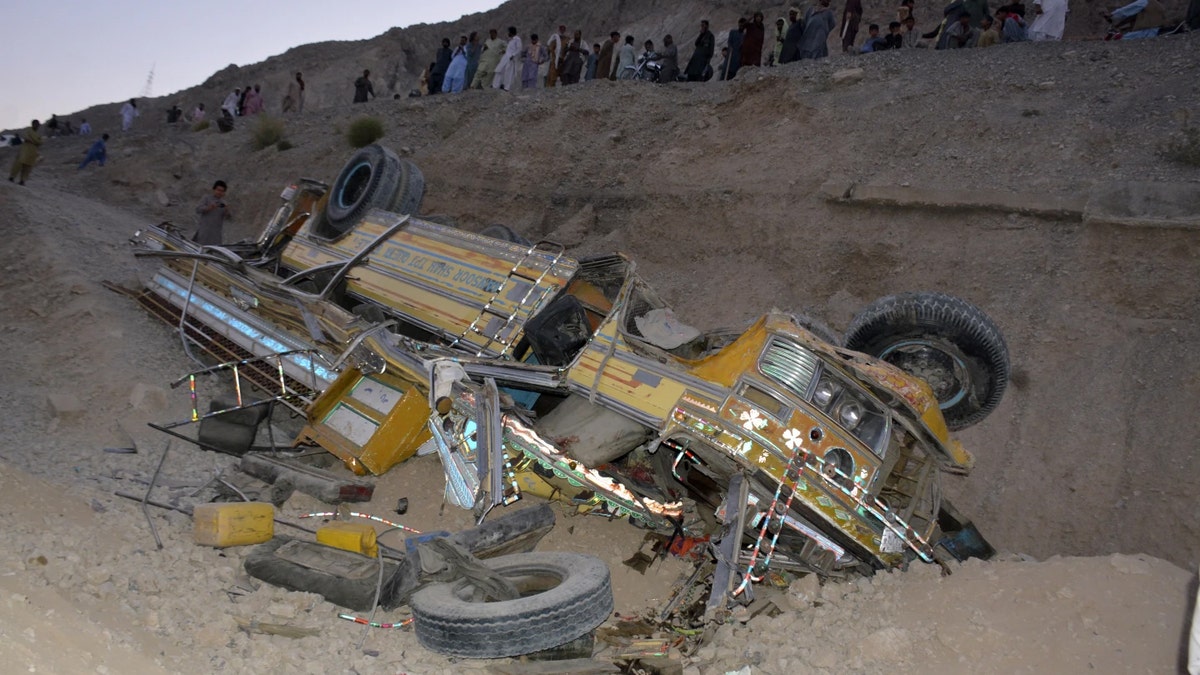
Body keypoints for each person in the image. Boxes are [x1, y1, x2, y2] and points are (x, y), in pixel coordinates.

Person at [195, 180, 233, 246]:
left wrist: (227, 210)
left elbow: (229, 217)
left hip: (216, 234)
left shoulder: (224, 203)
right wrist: (209, 208)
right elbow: (198, 209)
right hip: (204, 231)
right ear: (214, 189)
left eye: (222, 191)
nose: (219, 192)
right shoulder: (206, 198)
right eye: (218, 190)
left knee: (214, 250)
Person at [7, 120, 42, 185]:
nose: (37, 126)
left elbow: (40, 142)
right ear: (33, 124)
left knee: (28, 166)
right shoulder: (28, 130)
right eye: (36, 124)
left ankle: (22, 180)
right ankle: (12, 177)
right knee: (19, 163)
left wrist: (33, 140)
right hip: (25, 148)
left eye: (38, 125)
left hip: (33, 151)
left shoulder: (38, 134)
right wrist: (35, 141)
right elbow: (26, 137)